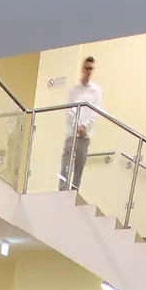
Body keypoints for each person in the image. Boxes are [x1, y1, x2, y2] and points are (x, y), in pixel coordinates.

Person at [60, 55, 101, 192]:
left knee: (79, 166)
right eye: (86, 68)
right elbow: (69, 110)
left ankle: (74, 191)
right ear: (82, 69)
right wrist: (76, 126)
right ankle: (62, 189)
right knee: (66, 163)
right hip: (72, 133)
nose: (88, 71)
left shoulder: (96, 91)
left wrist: (84, 127)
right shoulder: (74, 90)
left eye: (91, 69)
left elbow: (95, 113)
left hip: (85, 135)